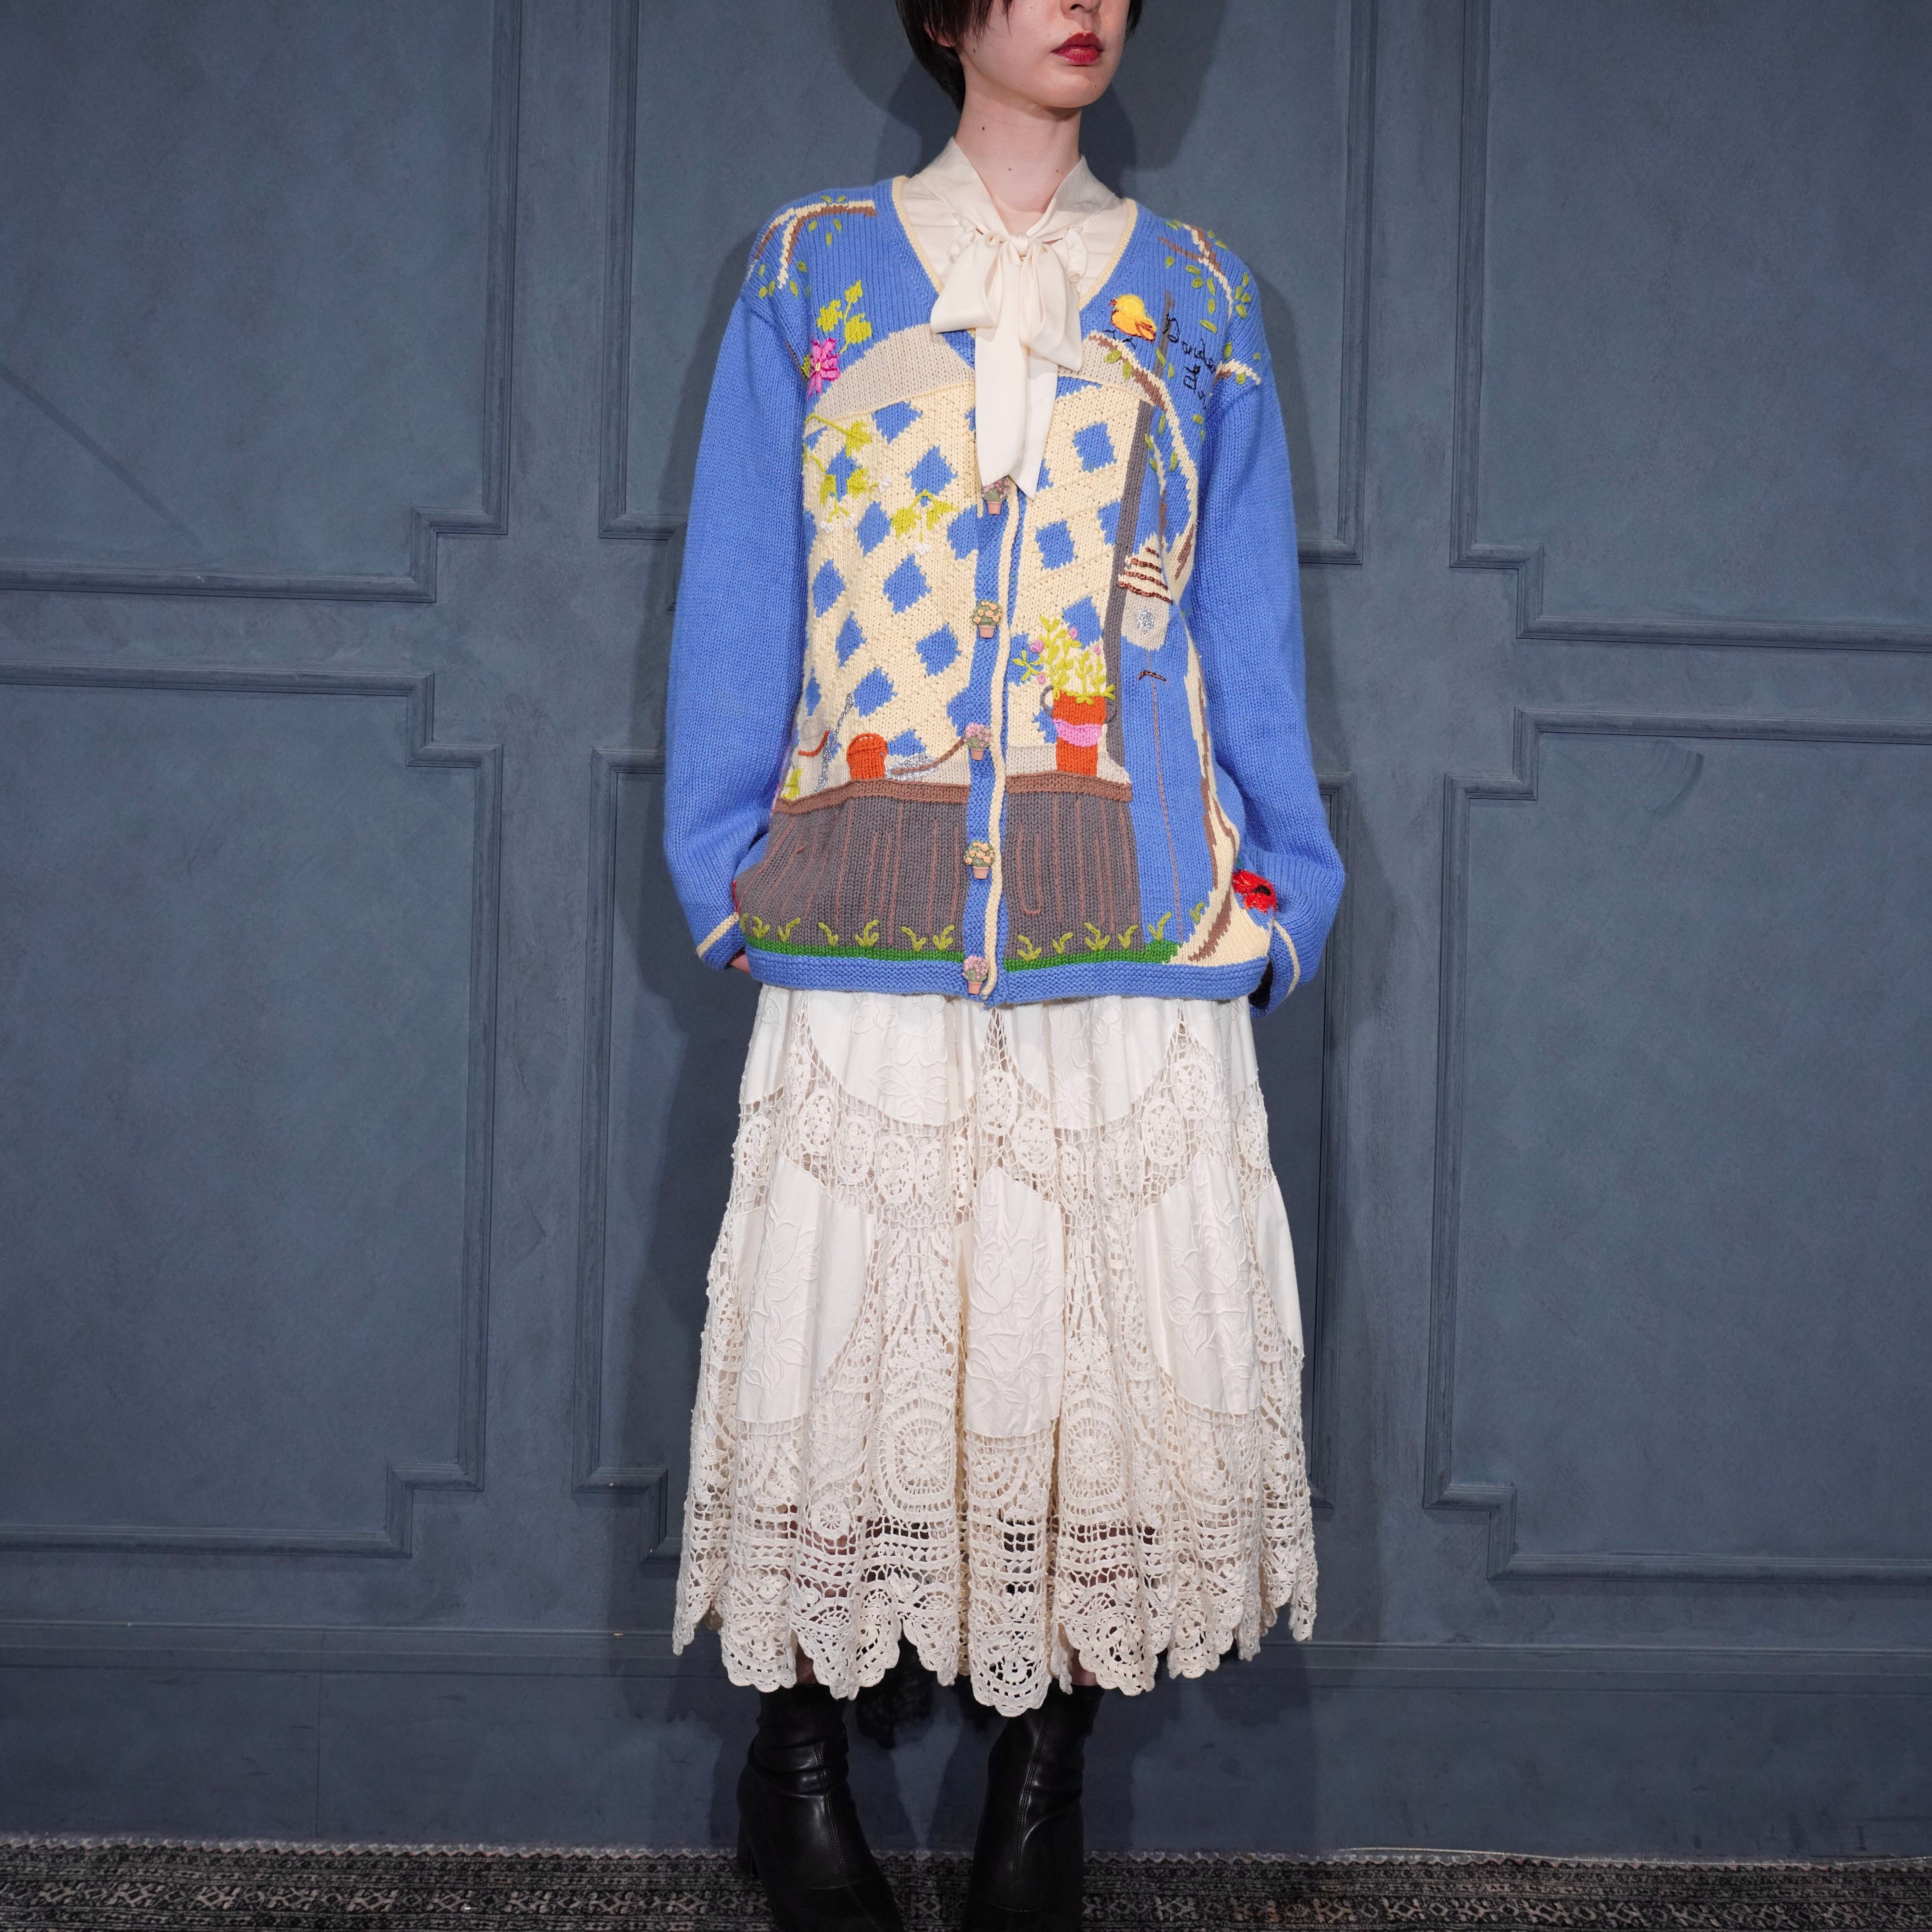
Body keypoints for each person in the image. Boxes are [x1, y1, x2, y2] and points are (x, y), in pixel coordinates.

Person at [661, 1, 1345, 1926]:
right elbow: (746, 580)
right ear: (946, 10)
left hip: (1124, 917)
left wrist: (1279, 888)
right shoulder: (810, 272)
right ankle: (793, 1761)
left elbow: (1239, 617)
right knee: (840, 1356)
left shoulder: (1199, 299)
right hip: (863, 909)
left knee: (1081, 1369)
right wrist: (729, 866)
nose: (1087, 3)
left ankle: (1045, 1780)